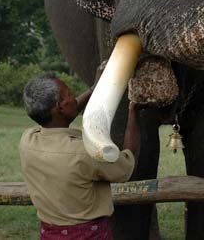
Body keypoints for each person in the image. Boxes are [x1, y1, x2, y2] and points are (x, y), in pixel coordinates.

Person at [19, 72, 139, 240]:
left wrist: (93, 89)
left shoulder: (27, 140)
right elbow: (126, 164)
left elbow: (66, 113)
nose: (74, 97)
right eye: (69, 94)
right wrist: (133, 114)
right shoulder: (86, 152)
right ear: (59, 107)